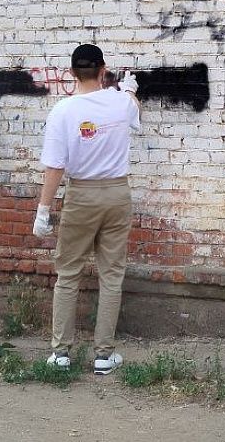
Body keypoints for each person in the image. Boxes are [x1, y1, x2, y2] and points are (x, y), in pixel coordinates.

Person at [34, 43, 140, 375]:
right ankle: (104, 356)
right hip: (117, 193)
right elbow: (133, 107)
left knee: (68, 273)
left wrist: (43, 209)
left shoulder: (63, 111)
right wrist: (129, 88)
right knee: (112, 275)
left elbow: (55, 166)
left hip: (81, 194)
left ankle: (61, 353)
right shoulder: (121, 102)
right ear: (103, 70)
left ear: (71, 73)